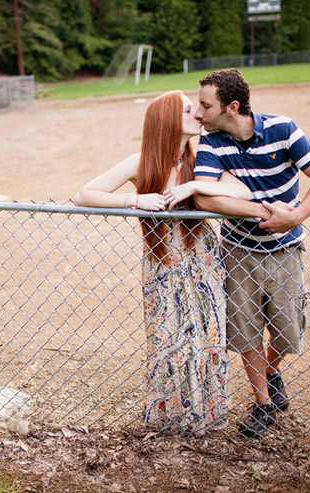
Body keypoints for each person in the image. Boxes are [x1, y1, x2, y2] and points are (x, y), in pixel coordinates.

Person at [74, 90, 251, 434]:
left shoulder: (202, 158)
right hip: (163, 263)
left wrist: (195, 185)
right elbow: (85, 194)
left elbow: (243, 192)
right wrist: (135, 199)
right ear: (169, 119)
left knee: (207, 336)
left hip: (203, 260)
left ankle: (207, 417)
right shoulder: (141, 162)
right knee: (167, 340)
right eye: (189, 109)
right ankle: (170, 419)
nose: (199, 114)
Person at [192, 69, 310, 438]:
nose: (198, 113)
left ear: (233, 106)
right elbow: (205, 195)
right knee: (246, 333)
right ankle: (263, 403)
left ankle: (271, 371)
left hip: (286, 249)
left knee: (288, 334)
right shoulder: (211, 142)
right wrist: (263, 211)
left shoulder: (284, 129)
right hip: (238, 251)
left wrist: (294, 216)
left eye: (205, 105)